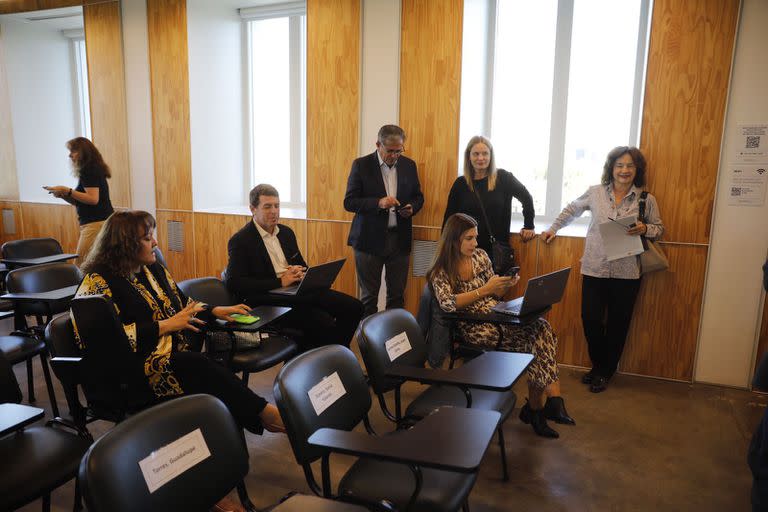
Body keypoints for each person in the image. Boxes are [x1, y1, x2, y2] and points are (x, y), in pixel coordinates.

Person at [72, 210, 285, 437]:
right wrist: (165, 326)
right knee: (199, 366)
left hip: (170, 355)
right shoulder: (96, 282)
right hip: (127, 373)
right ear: (124, 245)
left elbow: (183, 304)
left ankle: (244, 426)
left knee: (209, 367)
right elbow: (102, 343)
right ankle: (265, 414)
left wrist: (215, 310)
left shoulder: (151, 268)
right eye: (146, 238)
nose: (155, 242)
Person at [427, 213, 573, 438]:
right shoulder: (441, 270)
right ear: (454, 239)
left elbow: (496, 293)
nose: (476, 243)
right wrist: (485, 290)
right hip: (474, 325)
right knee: (538, 338)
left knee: (540, 328)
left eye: (476, 237)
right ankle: (540, 407)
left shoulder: (481, 256)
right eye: (469, 238)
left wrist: (505, 284)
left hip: (496, 313)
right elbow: (448, 304)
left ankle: (544, 405)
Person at [541, 146, 664, 393]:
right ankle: (599, 366)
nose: (624, 170)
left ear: (636, 170)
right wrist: (553, 228)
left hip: (628, 272)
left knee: (619, 324)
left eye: (630, 166)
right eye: (619, 165)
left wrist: (645, 229)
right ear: (611, 168)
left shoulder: (646, 199)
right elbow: (572, 209)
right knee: (591, 319)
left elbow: (659, 228)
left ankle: (605, 372)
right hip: (595, 268)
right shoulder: (595, 193)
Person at [223, 184, 363, 350]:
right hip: (267, 297)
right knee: (321, 320)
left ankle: (336, 355)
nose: (274, 211)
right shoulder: (241, 240)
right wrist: (280, 282)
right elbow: (234, 283)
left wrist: (299, 271)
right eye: (267, 206)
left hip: (296, 290)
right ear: (253, 209)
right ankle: (325, 360)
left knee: (355, 307)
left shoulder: (286, 233)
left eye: (277, 206)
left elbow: (303, 265)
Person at [344, 124, 424, 317]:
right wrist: (378, 203)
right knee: (369, 298)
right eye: (390, 151)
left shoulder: (409, 165)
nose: (395, 156)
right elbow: (349, 202)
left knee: (397, 296)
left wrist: (412, 208)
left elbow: (418, 197)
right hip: (368, 241)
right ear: (378, 144)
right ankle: (368, 343)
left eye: (399, 151)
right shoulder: (361, 165)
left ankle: (393, 343)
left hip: (399, 240)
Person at [443, 135, 536, 260]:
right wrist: (444, 249)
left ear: (491, 156)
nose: (480, 158)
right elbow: (449, 218)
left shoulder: (504, 178)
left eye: (485, 153)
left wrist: (529, 225)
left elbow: (526, 198)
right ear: (468, 156)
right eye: (476, 154)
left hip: (496, 252)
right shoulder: (460, 184)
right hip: (465, 252)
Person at [44, 137, 115, 266]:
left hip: (95, 224)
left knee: (81, 265)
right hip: (100, 222)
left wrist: (68, 190)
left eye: (73, 151)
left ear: (84, 152)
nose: (70, 155)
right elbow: (80, 201)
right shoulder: (92, 169)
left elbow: (93, 199)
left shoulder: (88, 170)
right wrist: (63, 195)